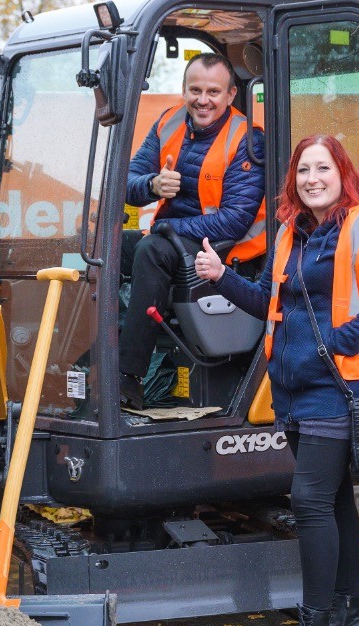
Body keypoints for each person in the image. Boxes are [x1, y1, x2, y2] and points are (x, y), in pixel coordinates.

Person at [195, 135, 359, 626]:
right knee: (335, 504)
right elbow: (269, 300)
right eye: (304, 170)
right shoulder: (289, 232)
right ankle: (348, 619)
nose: (313, 178)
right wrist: (224, 278)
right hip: (292, 391)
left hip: (338, 389)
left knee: (309, 501)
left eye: (323, 168)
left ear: (342, 173)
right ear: (294, 180)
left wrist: (332, 344)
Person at [120, 52, 266, 409]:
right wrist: (153, 185)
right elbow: (125, 182)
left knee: (151, 251)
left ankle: (127, 378)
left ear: (231, 95)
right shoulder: (168, 123)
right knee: (104, 248)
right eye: (195, 90)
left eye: (213, 92)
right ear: (184, 90)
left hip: (225, 248)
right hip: (175, 237)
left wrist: (167, 227)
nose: (203, 100)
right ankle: (91, 363)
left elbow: (234, 219)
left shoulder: (246, 139)